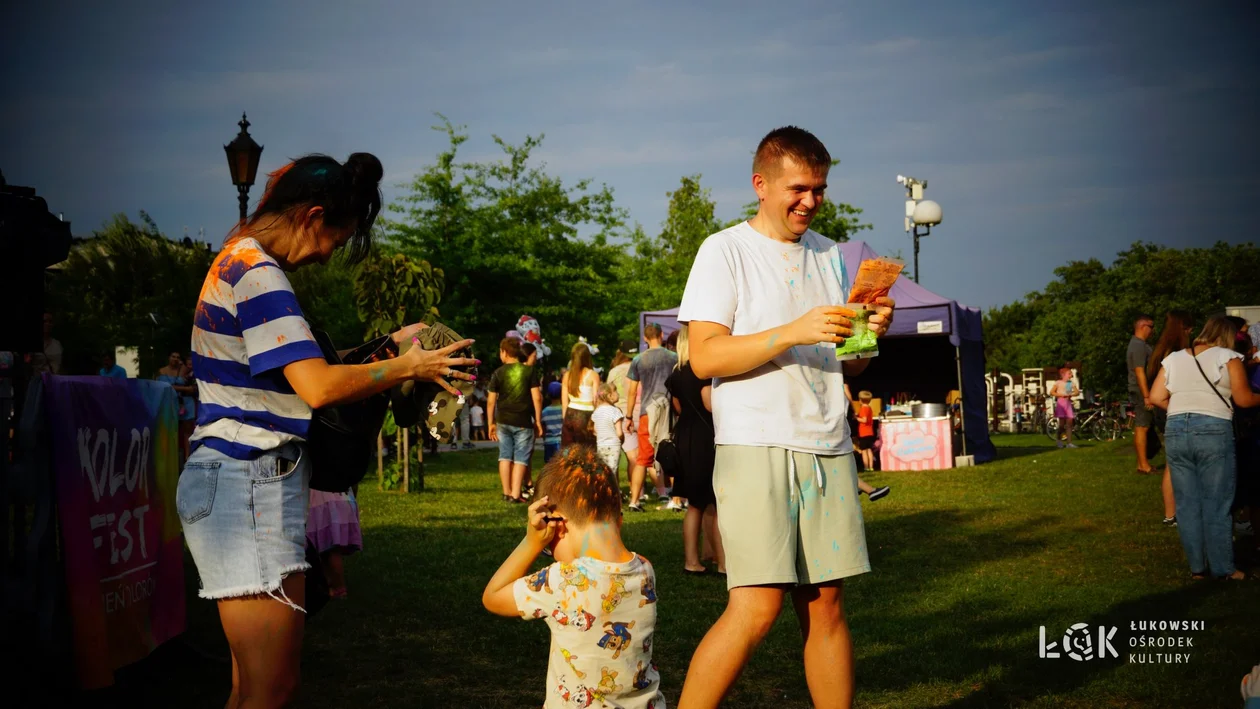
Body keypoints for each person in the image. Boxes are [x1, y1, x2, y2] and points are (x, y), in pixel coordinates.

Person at [177, 152, 476, 708]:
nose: (324, 257)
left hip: (237, 480)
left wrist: (388, 346)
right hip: (248, 483)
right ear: (313, 216)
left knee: (252, 690)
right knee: (273, 689)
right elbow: (317, 387)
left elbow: (304, 372)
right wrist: (411, 366)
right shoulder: (259, 272)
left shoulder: (237, 263)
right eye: (333, 241)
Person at [674, 125, 895, 708]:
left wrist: (868, 336)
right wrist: (792, 332)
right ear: (761, 185)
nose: (810, 201)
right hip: (756, 445)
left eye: (820, 189)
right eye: (798, 188)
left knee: (827, 605)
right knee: (758, 605)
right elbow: (705, 355)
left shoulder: (829, 254)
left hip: (828, 443)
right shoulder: (724, 250)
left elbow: (850, 369)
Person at [481, 445, 666, 709]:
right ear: (619, 518)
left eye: (549, 545)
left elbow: (492, 597)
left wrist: (532, 542)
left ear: (559, 526)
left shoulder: (563, 581)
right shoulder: (645, 570)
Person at [1150, 316, 1260, 581]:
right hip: (1213, 428)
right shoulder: (1228, 357)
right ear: (1229, 335)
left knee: (1187, 503)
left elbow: (1155, 397)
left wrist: (1183, 411)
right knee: (1217, 501)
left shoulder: (1174, 358)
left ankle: (1198, 568)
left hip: (1176, 429)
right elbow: (1244, 399)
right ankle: (1224, 568)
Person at [665, 324, 726, 575]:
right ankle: (723, 563)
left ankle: (699, 557)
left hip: (685, 437)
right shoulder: (702, 371)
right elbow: (710, 405)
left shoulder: (676, 373)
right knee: (713, 501)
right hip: (704, 437)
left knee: (696, 503)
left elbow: (678, 408)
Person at [1146, 311, 1194, 527]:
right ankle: (1174, 513)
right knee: (1176, 464)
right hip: (1171, 407)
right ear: (1186, 329)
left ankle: (1171, 513)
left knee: (1172, 463)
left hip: (1163, 410)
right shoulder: (1176, 353)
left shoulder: (1160, 350)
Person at [625, 323, 677, 511]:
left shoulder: (639, 360)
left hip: (647, 412)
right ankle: (677, 499)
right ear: (661, 335)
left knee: (642, 459)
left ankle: (634, 501)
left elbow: (631, 392)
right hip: (669, 411)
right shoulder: (673, 357)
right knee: (673, 453)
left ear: (645, 338)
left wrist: (629, 416)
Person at [489, 337, 543, 503]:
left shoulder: (498, 373)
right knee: (521, 458)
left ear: (504, 353)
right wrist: (538, 420)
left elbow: (491, 400)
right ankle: (515, 494)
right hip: (523, 421)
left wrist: (490, 422)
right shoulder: (528, 371)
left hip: (503, 420)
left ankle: (506, 493)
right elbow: (537, 398)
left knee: (504, 456)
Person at [307, 487, 361, 600]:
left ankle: (339, 587)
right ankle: (329, 585)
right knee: (325, 550)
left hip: (326, 505)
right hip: (343, 499)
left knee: (331, 550)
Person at [606, 342, 640, 486]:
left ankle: (617, 489)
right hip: (641, 412)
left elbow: (606, 394)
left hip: (621, 416)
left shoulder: (614, 372)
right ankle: (639, 490)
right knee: (641, 457)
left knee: (623, 456)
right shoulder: (640, 368)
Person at [156, 351, 198, 463]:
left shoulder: (185, 370)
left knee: (188, 431)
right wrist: (182, 388)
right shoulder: (162, 371)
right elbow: (161, 388)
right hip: (169, 403)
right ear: (169, 357)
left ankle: (188, 458)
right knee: (169, 430)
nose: (175, 359)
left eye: (178, 357)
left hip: (185, 403)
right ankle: (168, 458)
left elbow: (193, 388)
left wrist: (176, 387)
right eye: (173, 356)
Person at [1128, 314, 1157, 473]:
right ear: (1142, 326)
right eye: (1151, 327)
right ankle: (1143, 465)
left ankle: (1142, 463)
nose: (1152, 331)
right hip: (1141, 391)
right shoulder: (1138, 345)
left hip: (1140, 390)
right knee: (1142, 426)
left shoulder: (1138, 344)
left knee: (1143, 425)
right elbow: (1139, 371)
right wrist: (1146, 396)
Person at [560, 341, 600, 446]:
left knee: (569, 451)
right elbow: (596, 400)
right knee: (587, 451)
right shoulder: (593, 375)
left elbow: (564, 403)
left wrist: (565, 419)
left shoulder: (567, 376)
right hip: (587, 415)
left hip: (570, 413)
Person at [591, 383, 626, 475]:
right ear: (610, 396)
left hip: (601, 445)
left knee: (603, 471)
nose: (618, 393)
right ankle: (612, 489)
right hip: (614, 446)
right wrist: (622, 439)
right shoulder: (615, 411)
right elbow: (619, 433)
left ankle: (604, 488)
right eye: (616, 391)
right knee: (612, 472)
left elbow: (595, 430)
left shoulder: (597, 411)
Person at [1052, 365, 1078, 449]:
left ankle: (1069, 443)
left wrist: (1071, 394)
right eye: (1069, 373)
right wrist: (1061, 395)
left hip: (1068, 404)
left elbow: (1077, 392)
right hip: (1061, 404)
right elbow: (1052, 392)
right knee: (1061, 425)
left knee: (1070, 423)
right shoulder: (1058, 382)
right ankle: (1059, 440)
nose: (1071, 375)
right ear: (1063, 374)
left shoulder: (1070, 383)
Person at [541, 381, 564, 462]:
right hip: (562, 442)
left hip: (549, 442)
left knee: (549, 466)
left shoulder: (545, 412)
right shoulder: (564, 410)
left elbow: (543, 428)